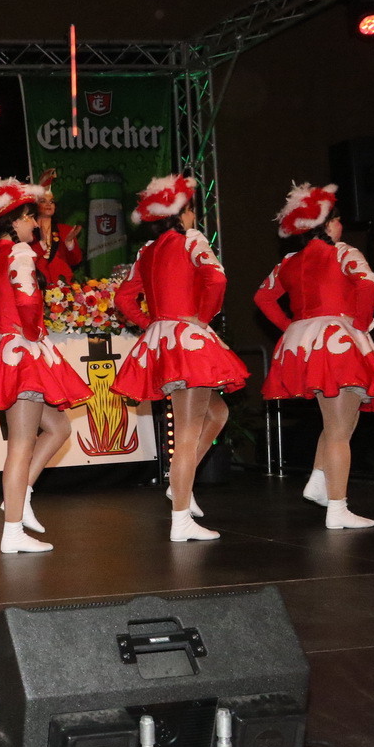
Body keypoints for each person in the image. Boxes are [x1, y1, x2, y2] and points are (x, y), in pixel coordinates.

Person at [0, 178, 93, 553]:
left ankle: (19, 497)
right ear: (15, 222)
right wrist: (28, 334)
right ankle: (12, 530)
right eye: (30, 217)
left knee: (59, 427)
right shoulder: (18, 252)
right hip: (22, 351)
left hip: (6, 347)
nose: (35, 223)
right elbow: (29, 301)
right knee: (20, 444)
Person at [112, 174, 249, 542]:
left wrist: (151, 323)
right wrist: (202, 318)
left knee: (217, 413)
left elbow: (123, 298)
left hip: (163, 340)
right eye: (190, 211)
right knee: (187, 433)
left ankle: (179, 487)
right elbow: (216, 279)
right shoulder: (192, 240)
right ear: (179, 214)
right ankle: (181, 518)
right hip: (188, 339)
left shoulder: (147, 251)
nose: (193, 218)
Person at [254, 183, 374, 529]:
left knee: (341, 421)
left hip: (304, 343)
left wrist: (290, 327)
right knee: (338, 428)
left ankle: (319, 482)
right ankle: (337, 507)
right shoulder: (342, 252)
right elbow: (367, 283)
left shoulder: (289, 262)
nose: (341, 226)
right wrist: (360, 323)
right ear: (326, 223)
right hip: (337, 340)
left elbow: (262, 298)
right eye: (337, 220)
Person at [32, 171, 84, 284]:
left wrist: (69, 243)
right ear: (35, 206)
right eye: (43, 201)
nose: (48, 204)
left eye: (52, 202)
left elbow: (76, 261)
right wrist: (41, 243)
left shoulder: (65, 230)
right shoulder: (28, 231)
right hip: (38, 283)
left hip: (63, 285)